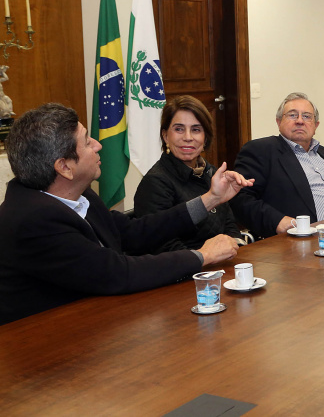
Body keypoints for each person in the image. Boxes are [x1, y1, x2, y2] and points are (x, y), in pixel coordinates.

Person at [0, 103, 250, 325]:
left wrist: (211, 198)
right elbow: (116, 273)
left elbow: (133, 232)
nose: (98, 145)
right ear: (64, 167)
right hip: (45, 342)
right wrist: (202, 256)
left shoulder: (80, 194)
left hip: (96, 319)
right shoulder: (33, 220)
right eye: (87, 142)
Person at [231, 92, 324, 238]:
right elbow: (241, 198)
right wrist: (277, 221)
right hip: (319, 238)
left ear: (316, 125)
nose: (300, 121)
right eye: (292, 115)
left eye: (307, 116)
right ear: (278, 122)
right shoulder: (261, 150)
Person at [134, 95, 248, 252]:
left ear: (205, 138)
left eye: (196, 130)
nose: (187, 137)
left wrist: (237, 247)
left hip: (223, 261)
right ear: (165, 136)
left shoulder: (212, 173)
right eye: (179, 129)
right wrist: (206, 257)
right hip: (188, 265)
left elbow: (229, 225)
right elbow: (162, 245)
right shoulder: (154, 183)